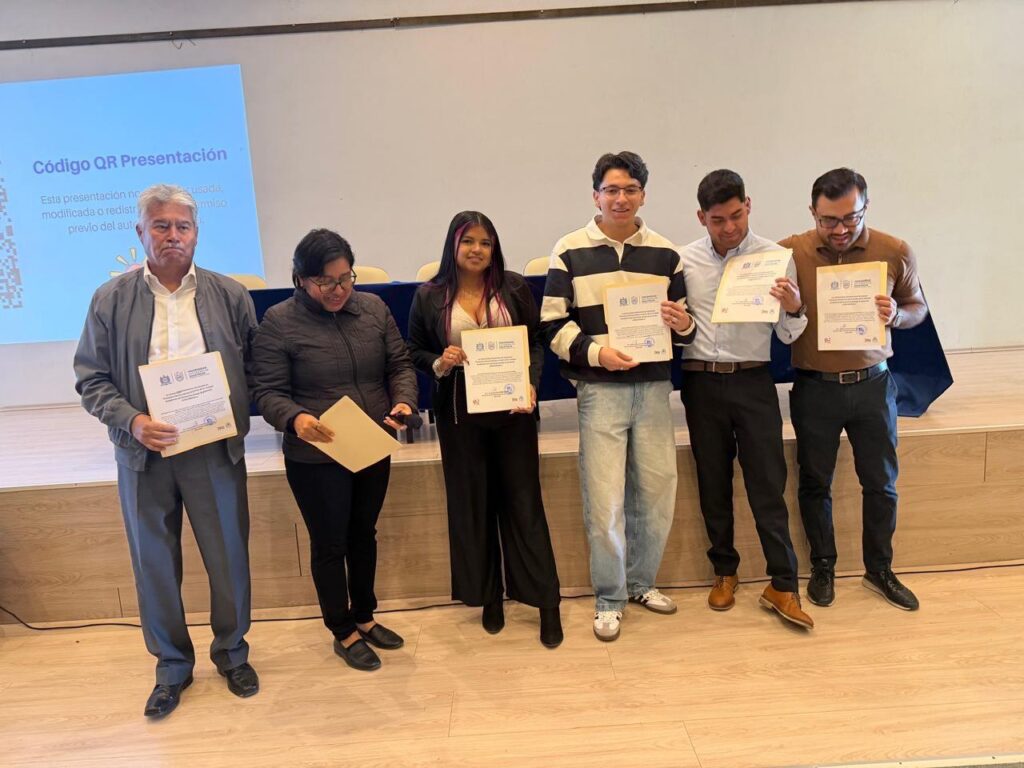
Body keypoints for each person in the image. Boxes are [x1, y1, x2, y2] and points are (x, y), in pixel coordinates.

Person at [74, 184, 259, 718]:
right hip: (143, 454)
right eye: (161, 225)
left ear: (197, 233)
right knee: (154, 565)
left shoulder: (230, 295)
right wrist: (132, 421)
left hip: (213, 450)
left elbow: (256, 367)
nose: (172, 235)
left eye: (182, 226)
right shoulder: (109, 299)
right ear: (141, 232)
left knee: (228, 559)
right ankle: (172, 667)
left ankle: (232, 654)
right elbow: (91, 379)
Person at [540, 151, 695, 642]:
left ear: (643, 195)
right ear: (596, 196)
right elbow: (552, 325)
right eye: (611, 190)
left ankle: (641, 583)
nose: (620, 198)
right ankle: (609, 598)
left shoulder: (666, 254)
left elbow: (686, 330)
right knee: (604, 500)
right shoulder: (568, 250)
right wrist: (597, 354)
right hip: (600, 390)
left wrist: (683, 324)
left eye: (630, 189)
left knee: (657, 494)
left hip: (652, 389)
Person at [251, 229, 417, 671]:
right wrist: (295, 418)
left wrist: (403, 400)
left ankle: (364, 615)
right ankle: (342, 630)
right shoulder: (278, 322)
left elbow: (399, 364)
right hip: (316, 456)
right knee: (330, 543)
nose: (338, 289)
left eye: (345, 278)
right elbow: (267, 391)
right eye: (325, 282)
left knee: (364, 534)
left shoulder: (373, 309)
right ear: (301, 279)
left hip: (370, 444)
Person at [407, 211, 563, 648]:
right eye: (468, 241)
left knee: (524, 504)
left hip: (513, 410)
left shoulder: (514, 287)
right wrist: (439, 361)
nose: (477, 250)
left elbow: (535, 340)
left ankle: (546, 602)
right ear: (453, 246)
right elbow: (414, 349)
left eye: (485, 242)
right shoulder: (429, 295)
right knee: (473, 507)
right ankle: (490, 596)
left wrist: (531, 382)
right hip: (460, 414)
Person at [779, 168, 928, 611]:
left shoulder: (894, 251)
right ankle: (823, 566)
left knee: (881, 483)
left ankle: (879, 569)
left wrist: (896, 314)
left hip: (873, 385)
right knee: (814, 482)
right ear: (812, 212)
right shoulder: (790, 252)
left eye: (851, 217)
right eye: (829, 220)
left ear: (866, 207)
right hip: (815, 387)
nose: (841, 229)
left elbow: (917, 307)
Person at [678, 169, 813, 629]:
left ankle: (783, 584)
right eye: (718, 220)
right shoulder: (683, 261)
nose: (729, 227)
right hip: (701, 383)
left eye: (736, 215)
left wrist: (794, 307)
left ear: (748, 205)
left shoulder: (776, 258)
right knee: (712, 482)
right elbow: (677, 331)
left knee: (767, 483)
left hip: (754, 381)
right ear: (702, 217)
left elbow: (788, 333)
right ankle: (725, 571)